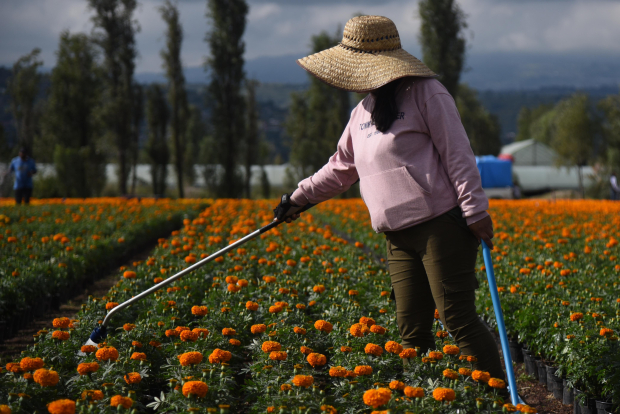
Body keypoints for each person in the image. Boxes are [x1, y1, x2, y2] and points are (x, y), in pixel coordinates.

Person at [273, 16, 504, 380]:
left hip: (440, 226)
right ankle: (424, 401)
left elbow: (457, 153)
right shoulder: (361, 112)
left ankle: (500, 397)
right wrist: (297, 198)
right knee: (411, 331)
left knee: (456, 317)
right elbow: (340, 168)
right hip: (396, 235)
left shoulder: (427, 93)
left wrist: (475, 210)